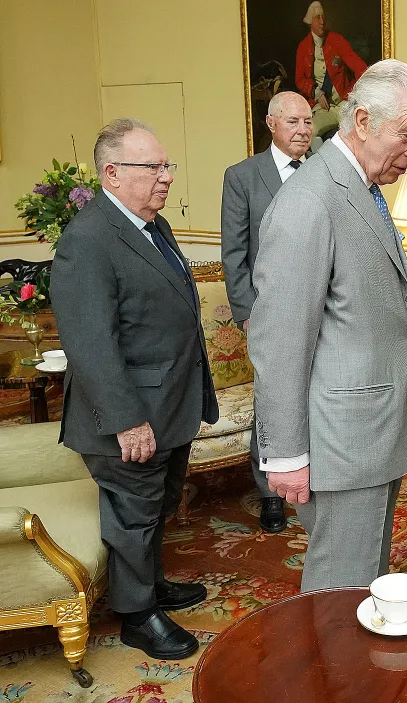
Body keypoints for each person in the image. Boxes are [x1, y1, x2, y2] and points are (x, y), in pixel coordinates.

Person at [249, 59, 407, 590]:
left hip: (369, 438)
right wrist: (284, 455)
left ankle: (354, 671)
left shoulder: (356, 186)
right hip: (341, 446)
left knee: (364, 583)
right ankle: (326, 674)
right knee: (338, 589)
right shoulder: (310, 201)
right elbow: (280, 339)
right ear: (363, 122)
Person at [50, 119, 219, 659]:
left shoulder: (152, 224)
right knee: (133, 514)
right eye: (154, 167)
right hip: (128, 414)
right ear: (113, 173)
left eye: (167, 165)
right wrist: (126, 419)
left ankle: (150, 584)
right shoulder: (88, 239)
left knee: (159, 503)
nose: (167, 177)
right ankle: (136, 616)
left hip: (168, 403)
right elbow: (91, 344)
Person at [220, 91, 313, 533]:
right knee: (272, 400)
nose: (303, 130)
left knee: (317, 393)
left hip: (319, 310)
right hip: (269, 313)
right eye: (293, 121)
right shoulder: (242, 177)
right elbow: (234, 254)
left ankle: (313, 477)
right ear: (272, 124)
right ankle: (270, 494)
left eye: (309, 122)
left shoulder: (322, 173)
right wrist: (247, 312)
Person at [295, 1, 368, 152]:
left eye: (323, 17)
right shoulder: (303, 47)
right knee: (311, 133)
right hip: (323, 107)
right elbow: (300, 79)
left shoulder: (336, 40)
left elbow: (360, 68)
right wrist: (316, 92)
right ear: (310, 21)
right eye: (317, 18)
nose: (322, 22)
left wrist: (355, 94)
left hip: (344, 104)